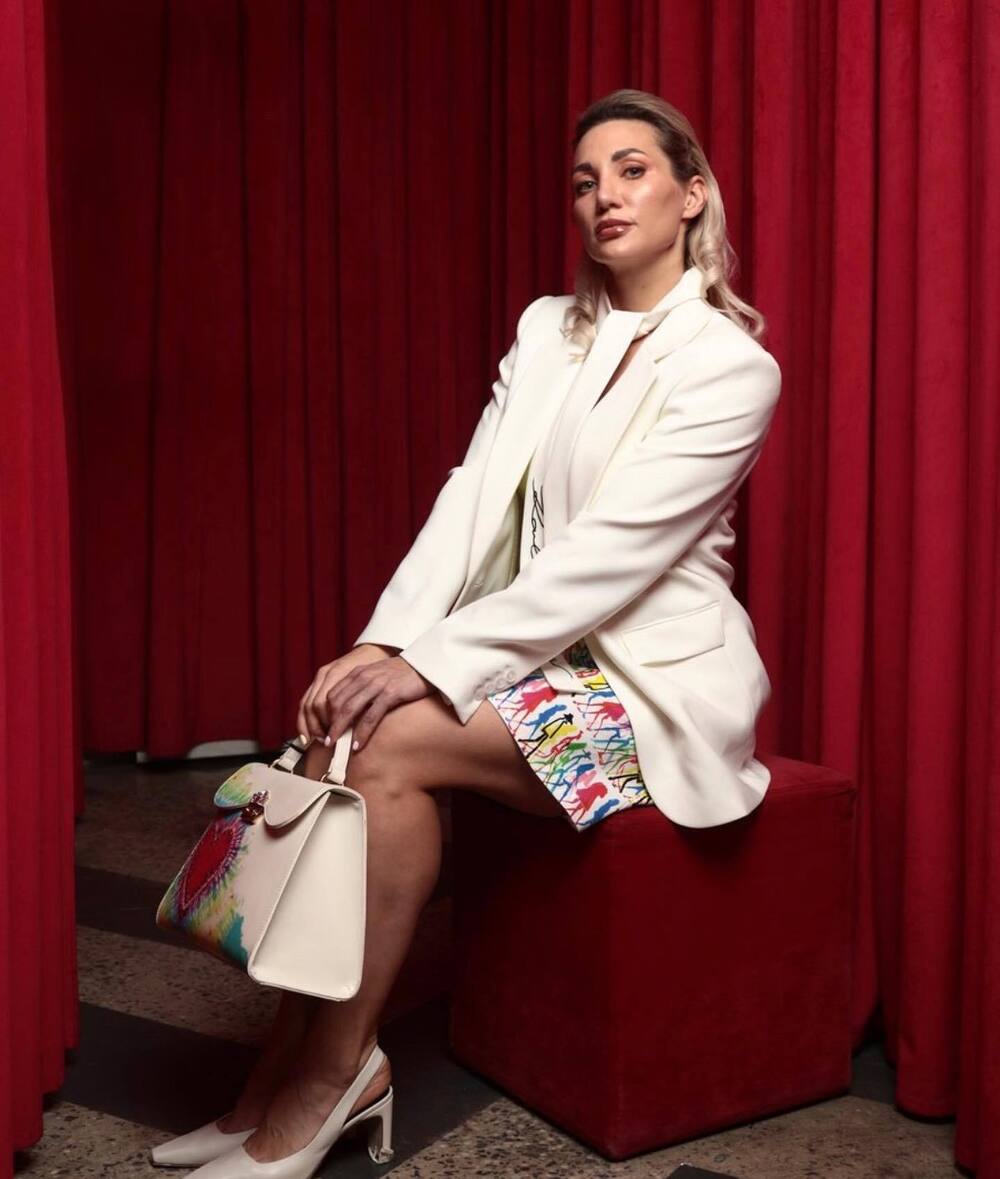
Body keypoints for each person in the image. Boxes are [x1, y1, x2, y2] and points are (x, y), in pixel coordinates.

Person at [151, 87, 782, 1177]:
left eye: (632, 170)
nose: (604, 195)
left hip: (644, 688)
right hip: (530, 661)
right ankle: (276, 1077)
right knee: (346, 728)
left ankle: (331, 1077)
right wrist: (384, 646)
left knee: (390, 743)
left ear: (691, 195)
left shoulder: (731, 366)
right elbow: (467, 497)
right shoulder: (548, 330)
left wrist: (428, 671)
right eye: (584, 180)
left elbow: (608, 560)